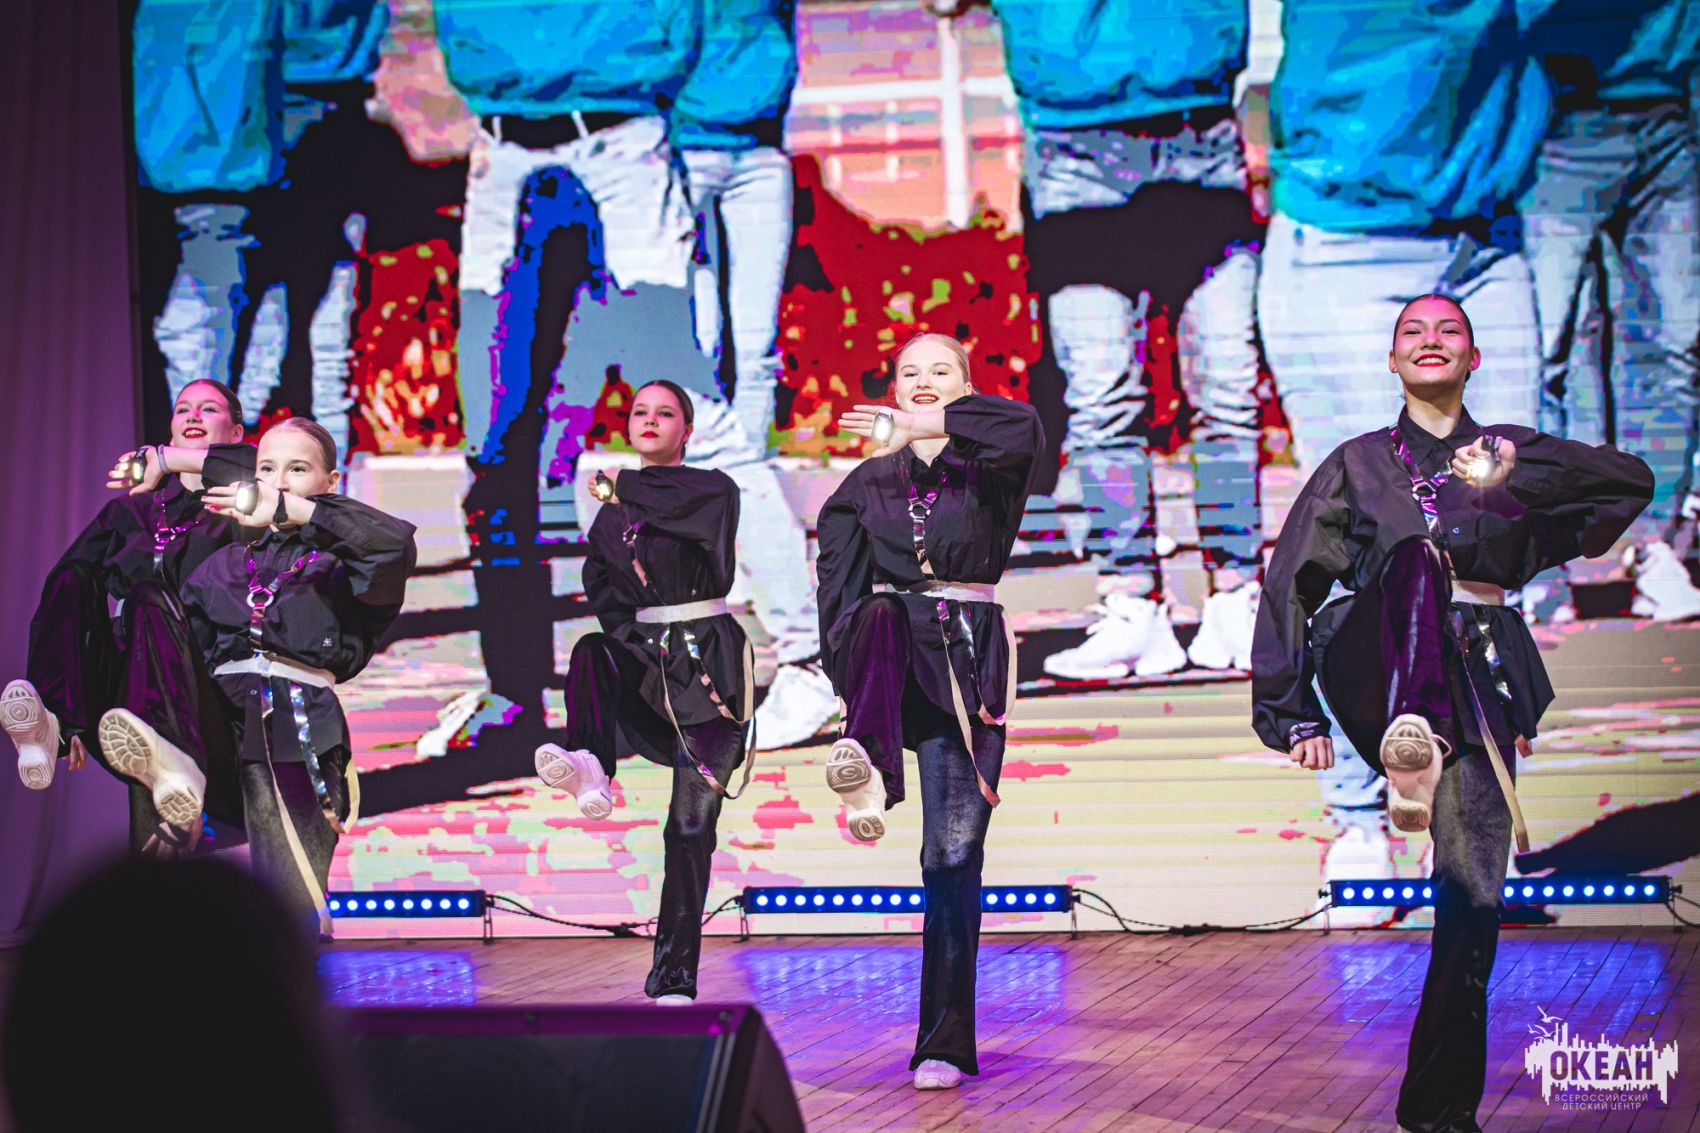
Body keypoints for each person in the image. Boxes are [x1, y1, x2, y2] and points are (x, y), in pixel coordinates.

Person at [1250, 295, 1652, 1133]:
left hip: (1479, 674)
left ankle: (1438, 1107)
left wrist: (1518, 466)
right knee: (1416, 559)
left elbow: (1629, 484)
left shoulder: (1509, 455)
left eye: (1449, 331)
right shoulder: (1359, 462)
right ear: (1391, 360)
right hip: (1374, 658)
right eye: (1412, 331)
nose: (1430, 340)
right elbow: (1292, 581)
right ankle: (1411, 740)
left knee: (1471, 901)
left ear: (1473, 358)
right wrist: (1292, 713)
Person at [962, 0, 1268, 683]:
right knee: (1103, 397)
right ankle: (1132, 603)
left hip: (1199, 123)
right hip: (1073, 140)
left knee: (1227, 387)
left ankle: (1238, 594)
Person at [815, 333, 1043, 1090]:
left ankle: (943, 1042)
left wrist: (923, 426)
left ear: (965, 388)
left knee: (951, 857)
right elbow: (837, 596)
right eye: (909, 372)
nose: (922, 379)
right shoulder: (861, 485)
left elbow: (1025, 424)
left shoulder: (994, 463)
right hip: (887, 664)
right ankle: (869, 770)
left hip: (966, 662)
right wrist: (847, 683)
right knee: (880, 609)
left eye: (940, 370)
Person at [96, 417, 417, 930]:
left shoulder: (347, 564)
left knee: (291, 905)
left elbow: (393, 544)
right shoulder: (223, 563)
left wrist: (292, 509)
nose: (279, 481)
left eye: (297, 469)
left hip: (295, 724)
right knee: (147, 602)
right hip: (216, 725)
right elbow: (167, 648)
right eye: (267, 469)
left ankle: (289, 961)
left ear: (330, 482)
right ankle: (171, 770)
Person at [532, 380, 751, 1004]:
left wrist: (621, 484)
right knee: (591, 650)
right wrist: (636, 645)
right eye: (639, 412)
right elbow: (604, 593)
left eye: (665, 413)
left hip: (709, 676)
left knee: (687, 828)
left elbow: (676, 500)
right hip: (650, 670)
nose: (649, 420)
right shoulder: (612, 514)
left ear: (687, 431)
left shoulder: (712, 490)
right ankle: (591, 764)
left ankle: (674, 977)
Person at [673, 0, 840, 749]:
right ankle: (732, 545)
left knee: (755, 352)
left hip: (757, 139)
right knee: (698, 356)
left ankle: (746, 542)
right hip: (673, 142)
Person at [3, 380, 252, 851]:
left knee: (147, 597)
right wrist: (75, 712)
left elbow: (254, 465)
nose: (192, 416)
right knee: (72, 576)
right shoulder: (134, 510)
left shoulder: (246, 501)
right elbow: (65, 597)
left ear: (235, 432)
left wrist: (165, 459)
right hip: (133, 689)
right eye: (183, 409)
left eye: (208, 409)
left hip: (206, 682)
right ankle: (55, 724)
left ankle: (177, 760)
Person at [1521, 0, 1700, 621]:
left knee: (1673, 345)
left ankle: (1654, 546)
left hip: (1670, 111)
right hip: (1560, 114)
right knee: (1543, 351)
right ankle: (1538, 561)